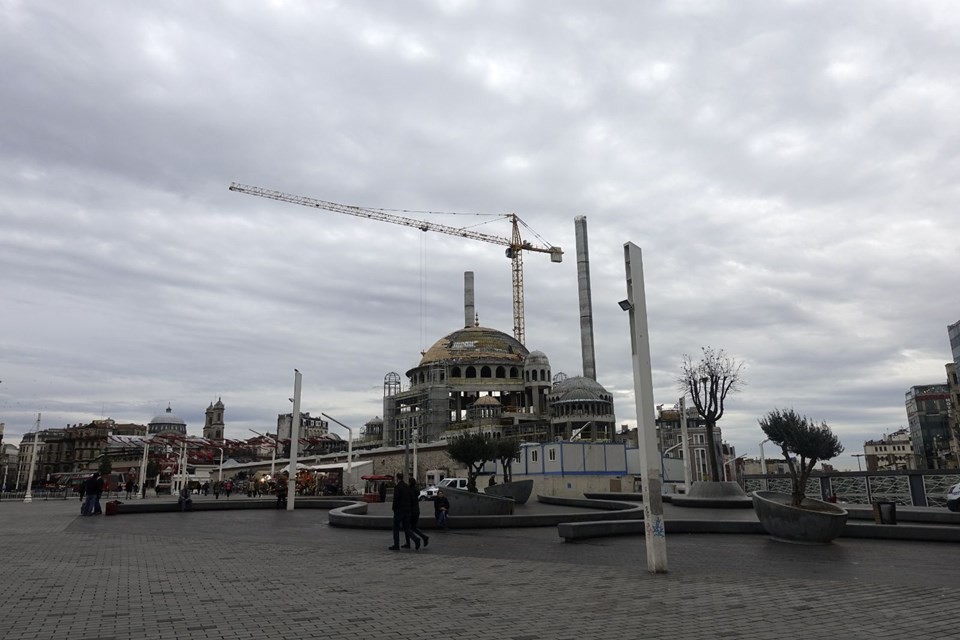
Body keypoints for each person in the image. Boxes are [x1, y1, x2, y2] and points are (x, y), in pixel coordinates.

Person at [389, 472, 419, 551]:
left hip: (399, 510)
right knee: (406, 528)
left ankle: (396, 545)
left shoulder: (398, 487)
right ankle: (415, 539)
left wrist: (394, 508)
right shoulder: (407, 486)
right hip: (407, 510)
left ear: (397, 478)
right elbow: (410, 498)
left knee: (396, 527)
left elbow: (396, 498)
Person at [405, 478, 429, 549]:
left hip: (410, 511)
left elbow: (408, 501)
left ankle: (414, 539)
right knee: (414, 527)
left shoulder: (409, 490)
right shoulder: (416, 490)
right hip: (416, 511)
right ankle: (424, 537)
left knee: (407, 527)